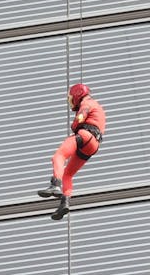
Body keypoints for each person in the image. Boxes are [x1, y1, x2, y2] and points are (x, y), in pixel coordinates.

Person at [37, 82, 106, 221]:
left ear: (77, 94)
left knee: (58, 156)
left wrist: (74, 125)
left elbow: (80, 117)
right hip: (92, 145)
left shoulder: (87, 103)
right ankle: (65, 202)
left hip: (85, 135)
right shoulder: (98, 106)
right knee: (68, 174)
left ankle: (55, 184)